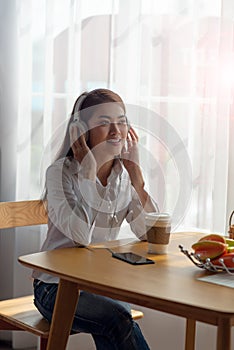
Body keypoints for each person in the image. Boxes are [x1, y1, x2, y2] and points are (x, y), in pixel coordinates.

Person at [33, 88, 158, 349]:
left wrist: (138, 180)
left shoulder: (123, 176)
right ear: (80, 131)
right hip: (55, 288)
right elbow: (81, 237)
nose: (116, 131)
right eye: (104, 123)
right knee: (118, 320)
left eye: (121, 121)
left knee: (117, 320)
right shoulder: (60, 174)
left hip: (100, 284)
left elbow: (148, 233)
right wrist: (87, 176)